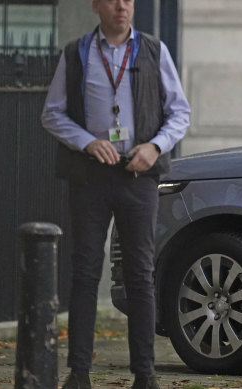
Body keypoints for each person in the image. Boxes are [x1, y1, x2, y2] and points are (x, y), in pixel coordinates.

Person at [41, 0, 190, 388]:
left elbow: (180, 112)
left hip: (138, 176)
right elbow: (52, 113)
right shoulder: (77, 53)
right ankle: (78, 373)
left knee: (141, 274)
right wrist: (87, 142)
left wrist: (155, 147)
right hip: (90, 176)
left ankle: (145, 374)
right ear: (96, 6)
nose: (122, 6)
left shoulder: (155, 51)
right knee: (85, 272)